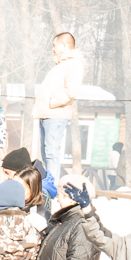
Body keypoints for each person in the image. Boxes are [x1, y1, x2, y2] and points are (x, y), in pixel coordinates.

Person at [36, 31, 85, 179]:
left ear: (64, 45)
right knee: (46, 154)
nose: (52, 49)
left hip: (55, 114)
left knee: (51, 153)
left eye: (54, 45)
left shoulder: (74, 64)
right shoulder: (62, 65)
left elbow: (71, 91)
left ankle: (52, 186)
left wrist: (52, 102)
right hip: (47, 114)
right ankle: (48, 184)